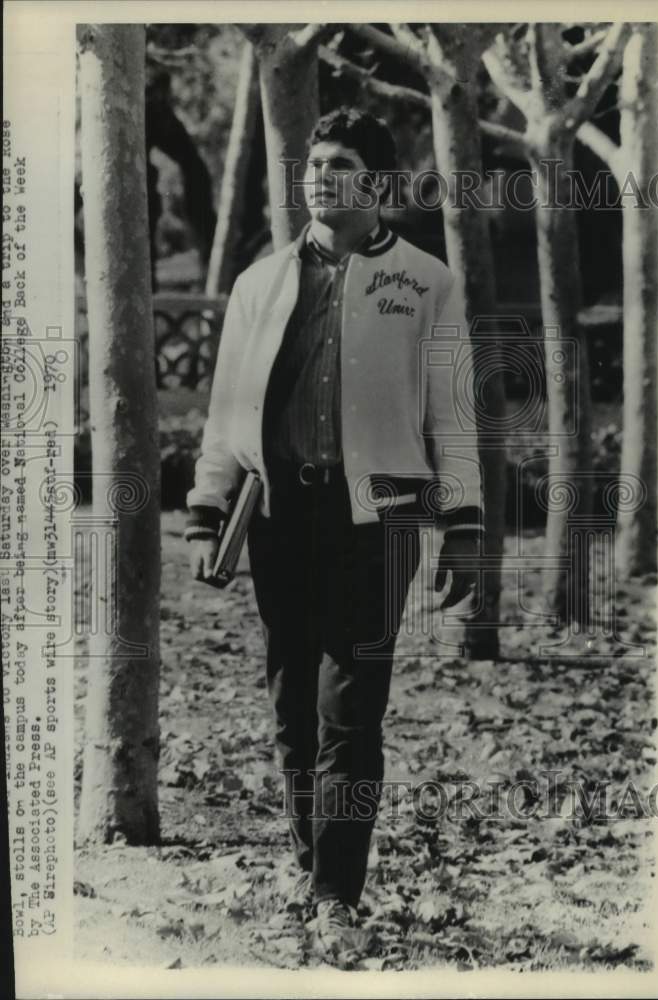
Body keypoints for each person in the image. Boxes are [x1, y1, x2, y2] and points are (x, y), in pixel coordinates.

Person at [185, 107, 483, 956]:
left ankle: (335, 894)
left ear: (379, 183)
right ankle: (309, 864)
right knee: (293, 710)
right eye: (315, 162)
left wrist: (463, 523)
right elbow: (225, 413)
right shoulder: (259, 283)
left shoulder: (427, 282)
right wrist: (207, 509)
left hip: (381, 524)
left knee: (350, 711)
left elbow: (452, 413)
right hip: (281, 519)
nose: (320, 176)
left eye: (342, 163)